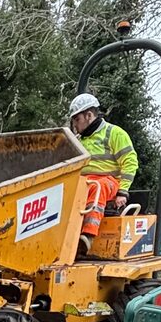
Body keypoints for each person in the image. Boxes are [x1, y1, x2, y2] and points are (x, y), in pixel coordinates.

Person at [67, 93, 138, 256]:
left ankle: (87, 237)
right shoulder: (79, 141)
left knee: (97, 186)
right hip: (84, 182)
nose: (75, 125)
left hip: (109, 182)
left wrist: (123, 191)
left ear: (89, 115)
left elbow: (130, 162)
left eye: (77, 120)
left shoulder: (114, 133)